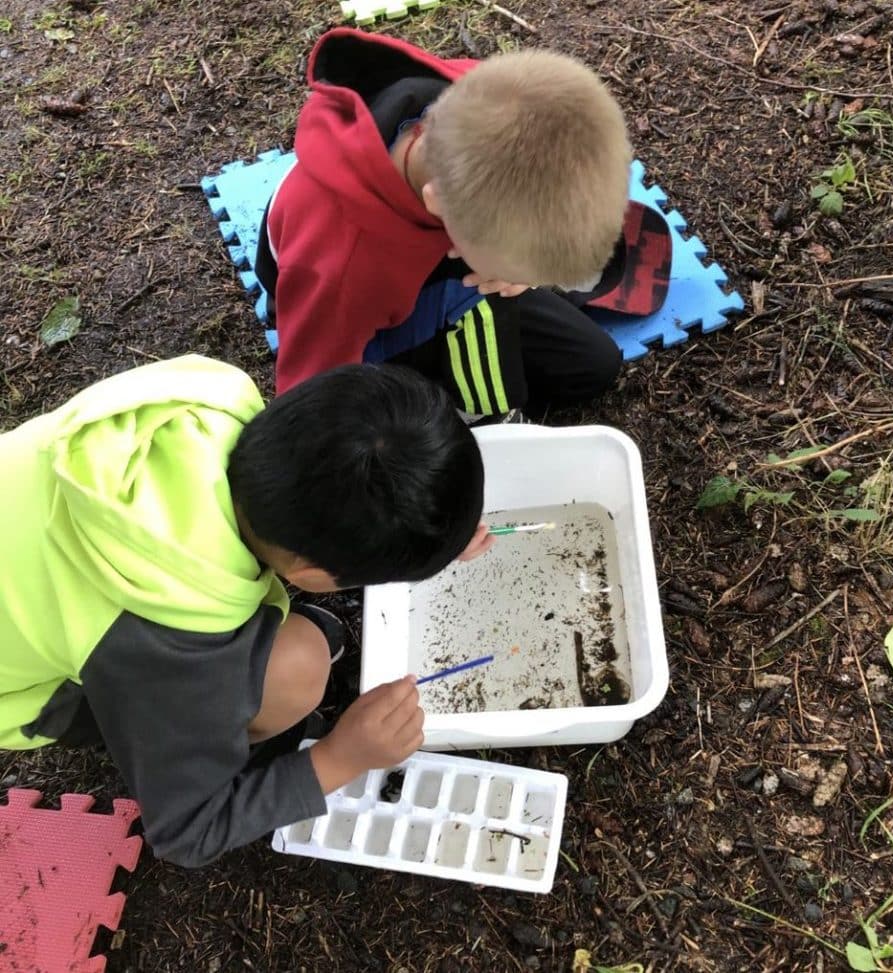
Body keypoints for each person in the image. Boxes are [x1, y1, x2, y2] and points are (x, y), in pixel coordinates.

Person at [0, 355, 489, 868]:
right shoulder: (168, 646)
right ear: (309, 574)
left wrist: (424, 538)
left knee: (298, 645)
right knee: (297, 671)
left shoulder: (207, 401)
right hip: (27, 689)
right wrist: (342, 756)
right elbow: (188, 832)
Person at [255, 27, 634, 417]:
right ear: (439, 207)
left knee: (591, 366)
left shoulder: (489, 104)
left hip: (436, 260)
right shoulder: (342, 265)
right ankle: (482, 414)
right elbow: (309, 401)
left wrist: (518, 273)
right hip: (354, 309)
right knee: (475, 320)